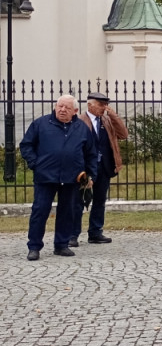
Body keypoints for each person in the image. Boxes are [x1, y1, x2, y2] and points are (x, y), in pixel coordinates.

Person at [20, 96, 97, 260]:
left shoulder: (82, 128)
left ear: (75, 111)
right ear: (55, 107)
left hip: (72, 177)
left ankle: (61, 245)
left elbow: (91, 153)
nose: (62, 110)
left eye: (67, 108)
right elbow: (26, 145)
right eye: (60, 106)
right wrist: (35, 164)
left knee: (67, 211)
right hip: (45, 176)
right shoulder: (41, 124)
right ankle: (34, 247)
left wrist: (90, 175)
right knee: (40, 211)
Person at [73, 91, 128, 245]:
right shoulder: (80, 121)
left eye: (106, 104)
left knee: (99, 200)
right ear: (90, 105)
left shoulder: (107, 120)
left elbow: (123, 134)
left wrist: (113, 116)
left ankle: (95, 232)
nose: (104, 107)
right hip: (86, 167)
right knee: (79, 200)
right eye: (101, 104)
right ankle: (72, 235)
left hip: (104, 166)